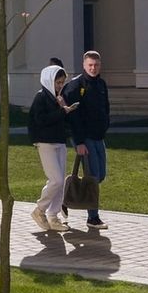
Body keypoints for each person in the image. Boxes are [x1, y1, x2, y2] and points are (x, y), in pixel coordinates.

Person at [61, 50, 111, 229]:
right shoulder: (75, 86)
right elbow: (73, 117)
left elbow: (105, 108)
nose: (93, 68)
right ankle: (93, 217)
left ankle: (65, 199)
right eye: (90, 65)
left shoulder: (101, 84)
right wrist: (79, 142)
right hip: (85, 138)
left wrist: (105, 125)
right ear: (84, 65)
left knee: (101, 175)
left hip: (98, 137)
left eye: (96, 65)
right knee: (93, 176)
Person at [29, 65, 73, 233]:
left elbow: (63, 121)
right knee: (56, 180)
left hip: (59, 141)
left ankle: (54, 216)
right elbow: (40, 121)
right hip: (45, 142)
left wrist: (65, 109)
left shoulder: (58, 97)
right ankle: (39, 210)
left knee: (60, 182)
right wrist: (62, 111)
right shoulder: (40, 98)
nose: (60, 86)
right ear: (49, 80)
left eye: (62, 83)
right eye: (58, 83)